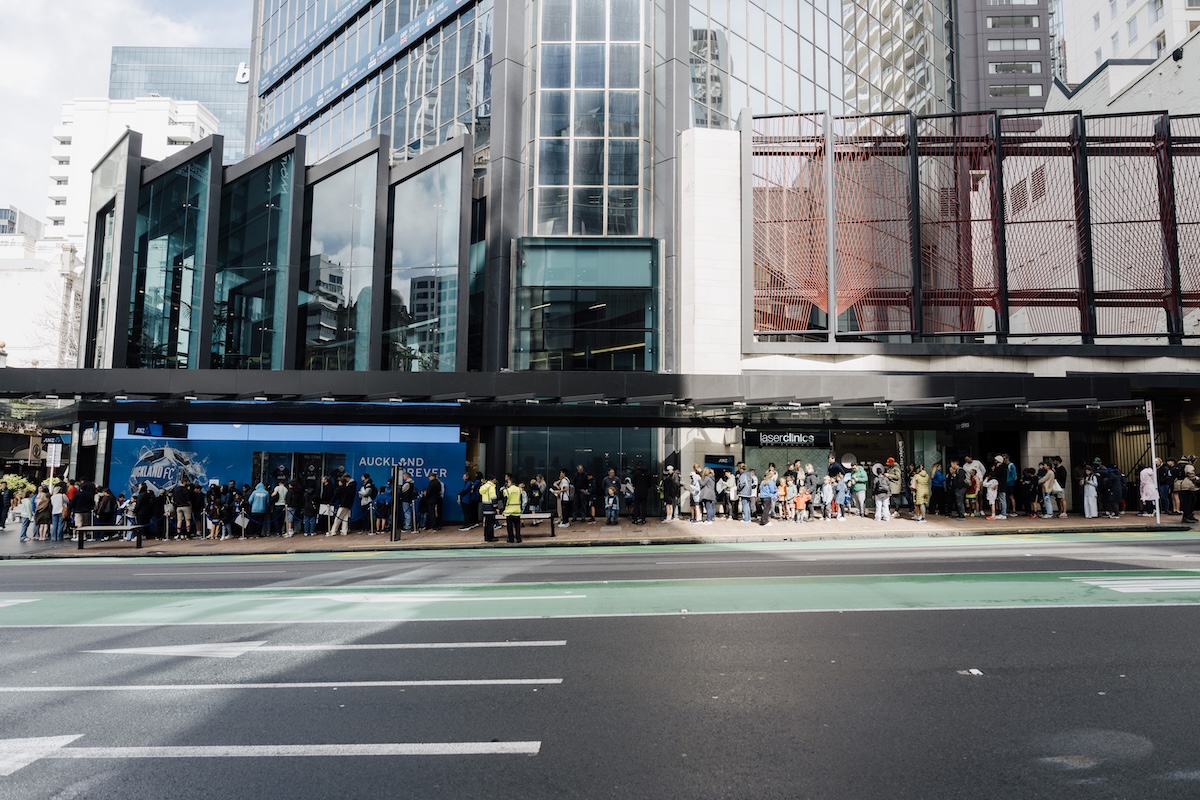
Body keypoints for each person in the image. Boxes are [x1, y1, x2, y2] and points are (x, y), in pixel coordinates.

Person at [501, 475, 523, 543]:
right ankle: (518, 538)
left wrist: (503, 510)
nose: (507, 483)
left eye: (508, 482)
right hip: (517, 510)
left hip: (509, 511)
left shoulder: (507, 490)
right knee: (517, 525)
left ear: (510, 482)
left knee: (510, 526)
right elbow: (521, 499)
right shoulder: (519, 489)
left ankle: (511, 538)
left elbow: (504, 501)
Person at [480, 475, 498, 542]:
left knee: (487, 522)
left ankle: (486, 536)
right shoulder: (491, 487)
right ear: (492, 480)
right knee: (491, 523)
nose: (495, 480)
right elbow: (493, 497)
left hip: (485, 506)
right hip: (490, 506)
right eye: (494, 479)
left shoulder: (484, 486)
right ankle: (491, 537)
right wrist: (496, 506)